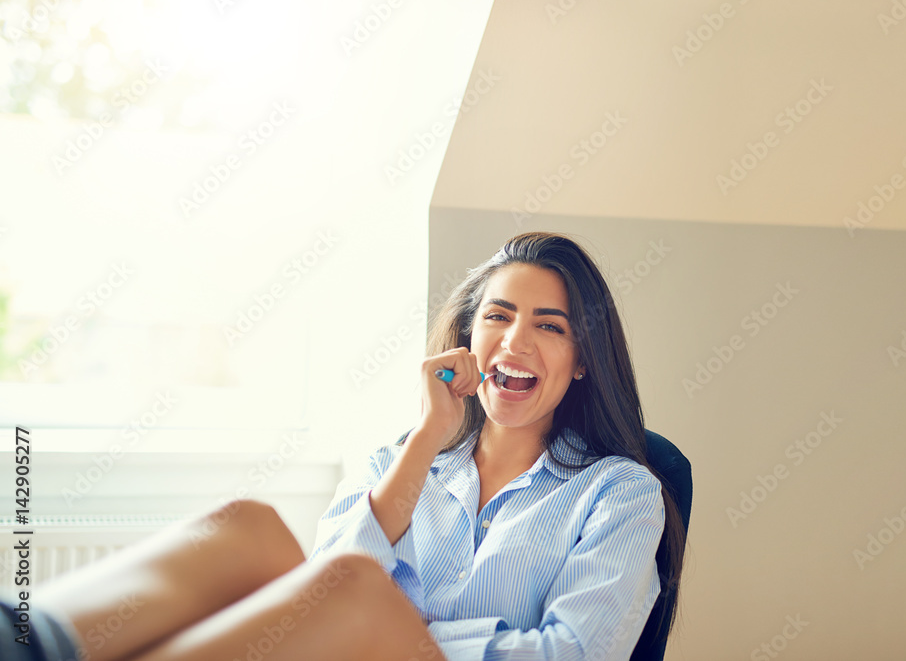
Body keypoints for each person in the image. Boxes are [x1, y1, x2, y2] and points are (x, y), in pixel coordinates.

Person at [2, 231, 688, 660]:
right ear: (467, 339)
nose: (515, 341)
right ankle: (24, 640)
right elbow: (311, 591)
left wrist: (391, 631)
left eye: (549, 326)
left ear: (582, 360)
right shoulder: (401, 458)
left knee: (361, 590)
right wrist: (426, 440)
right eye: (497, 317)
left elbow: (573, 653)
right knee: (249, 526)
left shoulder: (620, 491)